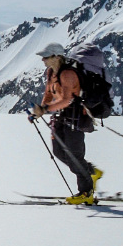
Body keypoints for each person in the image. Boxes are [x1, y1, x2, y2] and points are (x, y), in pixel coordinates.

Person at [31, 42, 103, 205]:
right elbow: (48, 93)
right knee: (59, 152)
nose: (43, 60)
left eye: (46, 57)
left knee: (74, 155)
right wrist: (41, 109)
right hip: (61, 116)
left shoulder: (68, 75)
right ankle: (90, 172)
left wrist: (45, 109)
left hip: (75, 117)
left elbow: (67, 99)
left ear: (57, 57)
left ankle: (86, 192)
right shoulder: (51, 72)